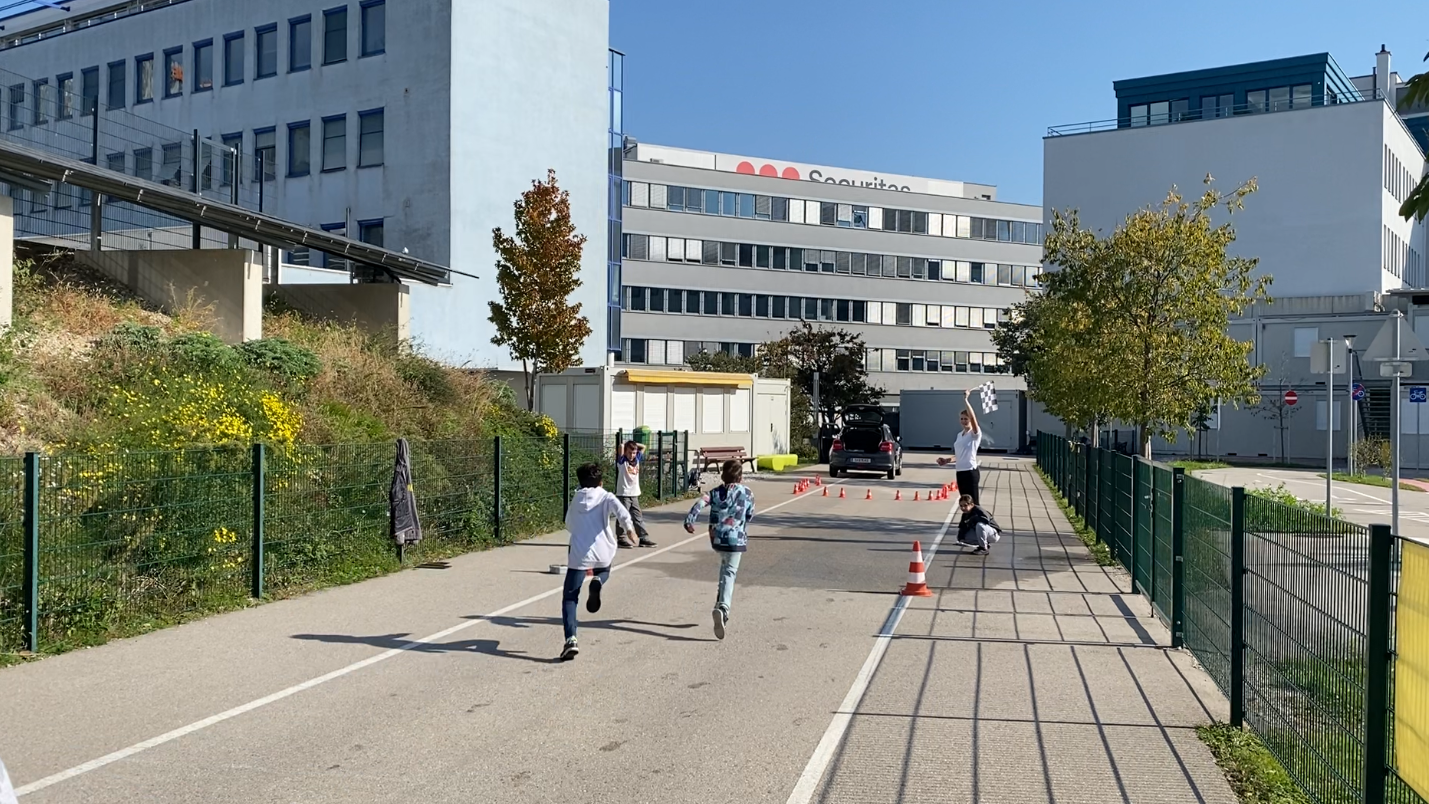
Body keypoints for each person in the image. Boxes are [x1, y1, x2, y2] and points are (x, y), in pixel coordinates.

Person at [559, 462, 634, 661]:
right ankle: (598, 582)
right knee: (604, 570)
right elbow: (622, 512)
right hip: (602, 550)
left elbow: (568, 524)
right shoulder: (606, 496)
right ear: (600, 482)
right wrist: (630, 529)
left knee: (570, 597)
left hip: (579, 553)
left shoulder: (576, 499)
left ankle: (571, 640)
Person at [684, 460, 755, 640]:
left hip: (717, 539)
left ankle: (719, 604)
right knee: (729, 573)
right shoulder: (747, 493)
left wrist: (690, 520)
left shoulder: (715, 493)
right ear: (740, 476)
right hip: (735, 540)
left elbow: (699, 503)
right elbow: (750, 515)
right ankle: (723, 609)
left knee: (724, 571)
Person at [937, 388, 983, 504]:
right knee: (964, 502)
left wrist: (966, 400)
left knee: (973, 502)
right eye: (962, 419)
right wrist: (946, 460)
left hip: (970, 472)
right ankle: (967, 521)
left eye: (965, 419)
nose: (963, 421)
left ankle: (980, 521)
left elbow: (973, 418)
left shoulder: (974, 434)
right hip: (960, 471)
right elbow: (959, 455)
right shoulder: (959, 435)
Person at [614, 440, 656, 548]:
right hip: (624, 494)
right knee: (623, 517)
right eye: (629, 453)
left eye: (633, 453)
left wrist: (635, 445)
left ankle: (643, 538)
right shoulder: (622, 461)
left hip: (634, 494)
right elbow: (621, 446)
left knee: (638, 517)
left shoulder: (637, 460)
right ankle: (621, 539)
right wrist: (625, 444)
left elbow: (644, 446)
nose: (632, 455)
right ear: (625, 453)